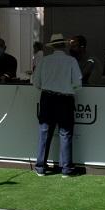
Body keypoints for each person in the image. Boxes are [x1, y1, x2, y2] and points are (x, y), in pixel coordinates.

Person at [32, 33, 82, 177]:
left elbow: (36, 83)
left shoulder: (44, 61)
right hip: (65, 99)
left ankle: (40, 167)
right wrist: (67, 88)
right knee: (65, 133)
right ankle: (66, 169)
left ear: (53, 46)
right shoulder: (71, 61)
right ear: (64, 46)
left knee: (44, 132)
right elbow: (78, 84)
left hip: (47, 98)